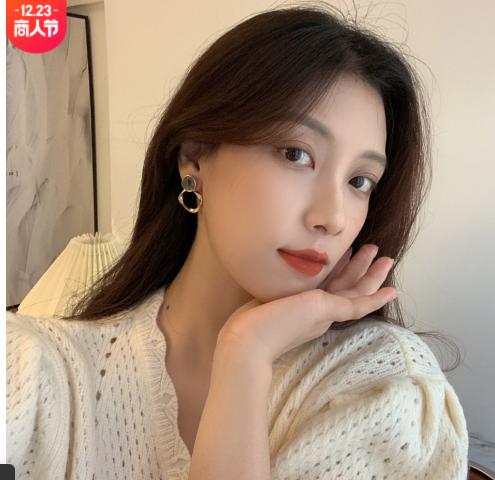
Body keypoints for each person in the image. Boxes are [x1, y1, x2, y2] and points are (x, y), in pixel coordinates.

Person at [6, 3, 469, 479]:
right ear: (194, 158)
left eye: (360, 181)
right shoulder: (33, 372)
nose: (333, 218)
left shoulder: (383, 386)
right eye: (296, 154)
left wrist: (246, 352)